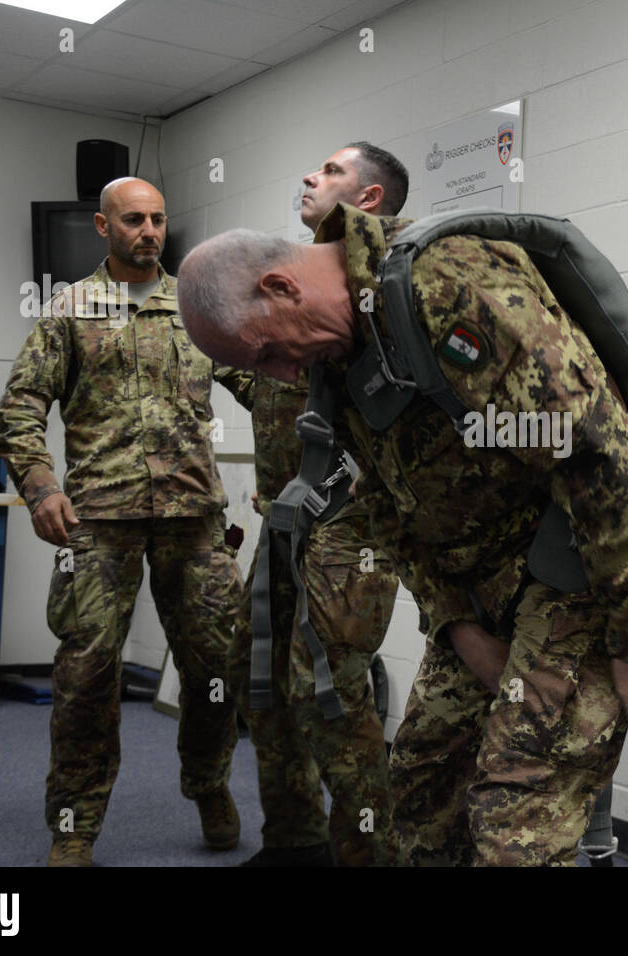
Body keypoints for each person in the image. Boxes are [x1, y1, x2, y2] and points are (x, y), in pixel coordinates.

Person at [174, 202, 628, 866]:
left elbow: (608, 461)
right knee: (420, 790)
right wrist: (456, 626)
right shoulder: (341, 359)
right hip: (478, 593)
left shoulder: (445, 286)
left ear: (280, 288)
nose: (279, 376)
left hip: (575, 572)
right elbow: (387, 508)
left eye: (267, 353)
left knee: (515, 819)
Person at [0, 177, 242, 867]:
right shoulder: (69, 311)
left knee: (218, 664)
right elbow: (18, 411)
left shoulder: (196, 307)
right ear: (104, 227)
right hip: (100, 521)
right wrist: (41, 487)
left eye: (159, 219)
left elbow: (263, 377)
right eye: (134, 219)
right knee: (86, 675)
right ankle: (75, 823)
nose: (150, 231)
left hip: (194, 519)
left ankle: (209, 782)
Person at [218, 142, 409, 866]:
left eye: (330, 171)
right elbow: (266, 386)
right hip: (282, 521)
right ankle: (292, 839)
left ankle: (367, 854)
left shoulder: (389, 291)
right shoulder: (294, 290)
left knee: (326, 691)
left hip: (351, 525)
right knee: (260, 679)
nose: (308, 175)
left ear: (368, 200)